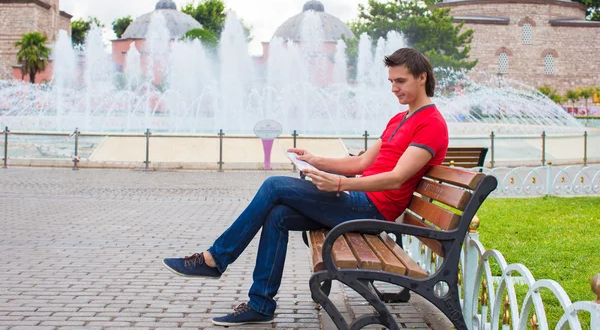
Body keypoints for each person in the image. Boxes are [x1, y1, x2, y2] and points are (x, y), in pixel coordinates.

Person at [163, 47, 449, 326]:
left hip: (374, 211)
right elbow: (361, 163)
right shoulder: (399, 119)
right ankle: (260, 304)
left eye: (400, 81)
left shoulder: (431, 124)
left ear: (422, 77)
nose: (394, 89)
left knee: (274, 186)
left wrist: (339, 184)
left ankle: (215, 258)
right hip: (360, 200)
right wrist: (316, 161)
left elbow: (397, 177)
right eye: (391, 82)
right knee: (278, 215)